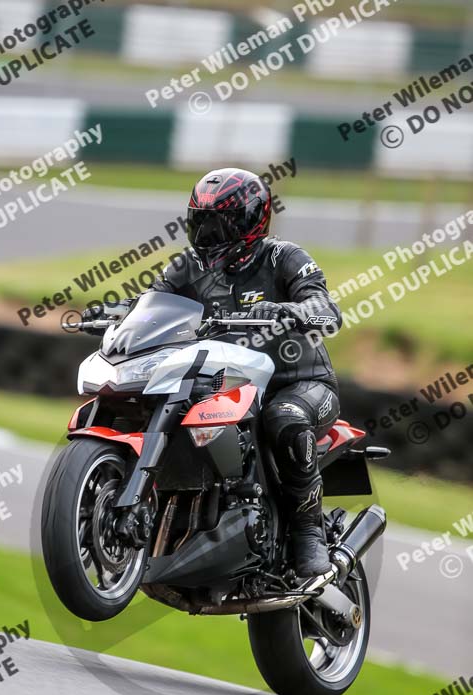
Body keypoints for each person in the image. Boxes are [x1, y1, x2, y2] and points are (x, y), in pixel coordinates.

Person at [85, 168, 342, 577]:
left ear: (250, 221)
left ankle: (308, 531)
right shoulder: (187, 265)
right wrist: (118, 315)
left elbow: (326, 309)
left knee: (284, 419)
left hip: (300, 383)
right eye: (200, 223)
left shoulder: (284, 257)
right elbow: (154, 301)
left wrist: (288, 310)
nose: (208, 236)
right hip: (230, 378)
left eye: (219, 224)